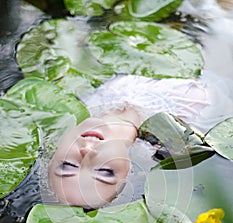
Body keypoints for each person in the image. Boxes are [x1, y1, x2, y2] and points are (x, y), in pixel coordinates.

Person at [48, 72, 233, 209]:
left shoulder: (71, 103)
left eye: (67, 166)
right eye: (105, 171)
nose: (87, 151)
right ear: (131, 171)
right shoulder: (189, 111)